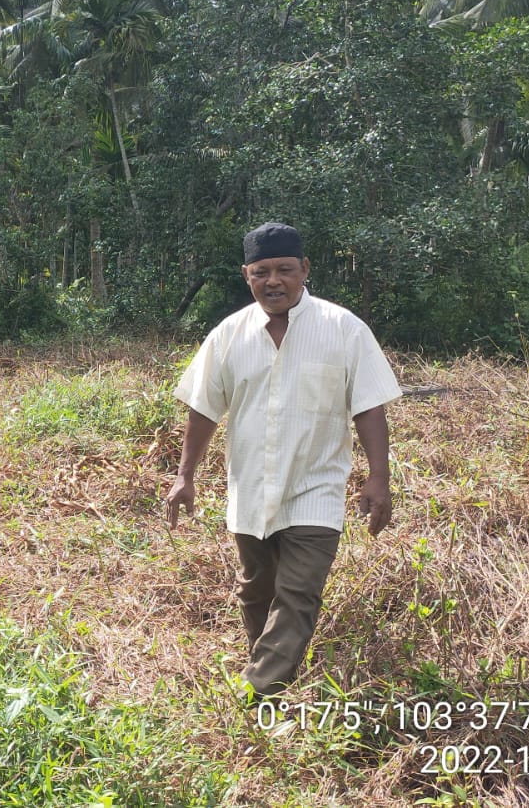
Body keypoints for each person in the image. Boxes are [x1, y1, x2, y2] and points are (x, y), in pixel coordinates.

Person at [165, 222, 399, 702]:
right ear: (246, 276)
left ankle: (256, 694)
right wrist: (184, 475)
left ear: (305, 270)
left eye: (285, 270)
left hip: (316, 489)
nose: (274, 281)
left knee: (297, 594)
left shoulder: (344, 329)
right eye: (261, 272)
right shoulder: (229, 335)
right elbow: (204, 406)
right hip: (250, 489)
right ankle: (274, 678)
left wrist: (379, 477)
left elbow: (370, 404)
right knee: (257, 591)